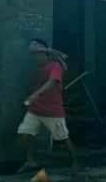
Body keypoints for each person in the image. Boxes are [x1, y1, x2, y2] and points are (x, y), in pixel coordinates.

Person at [17, 39, 77, 172]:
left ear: (44, 52)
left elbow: (52, 82)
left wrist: (35, 95)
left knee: (63, 137)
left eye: (38, 52)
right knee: (25, 133)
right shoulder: (36, 68)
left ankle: (75, 162)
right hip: (35, 109)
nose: (35, 56)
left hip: (53, 111)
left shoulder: (56, 65)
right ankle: (31, 161)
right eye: (33, 54)